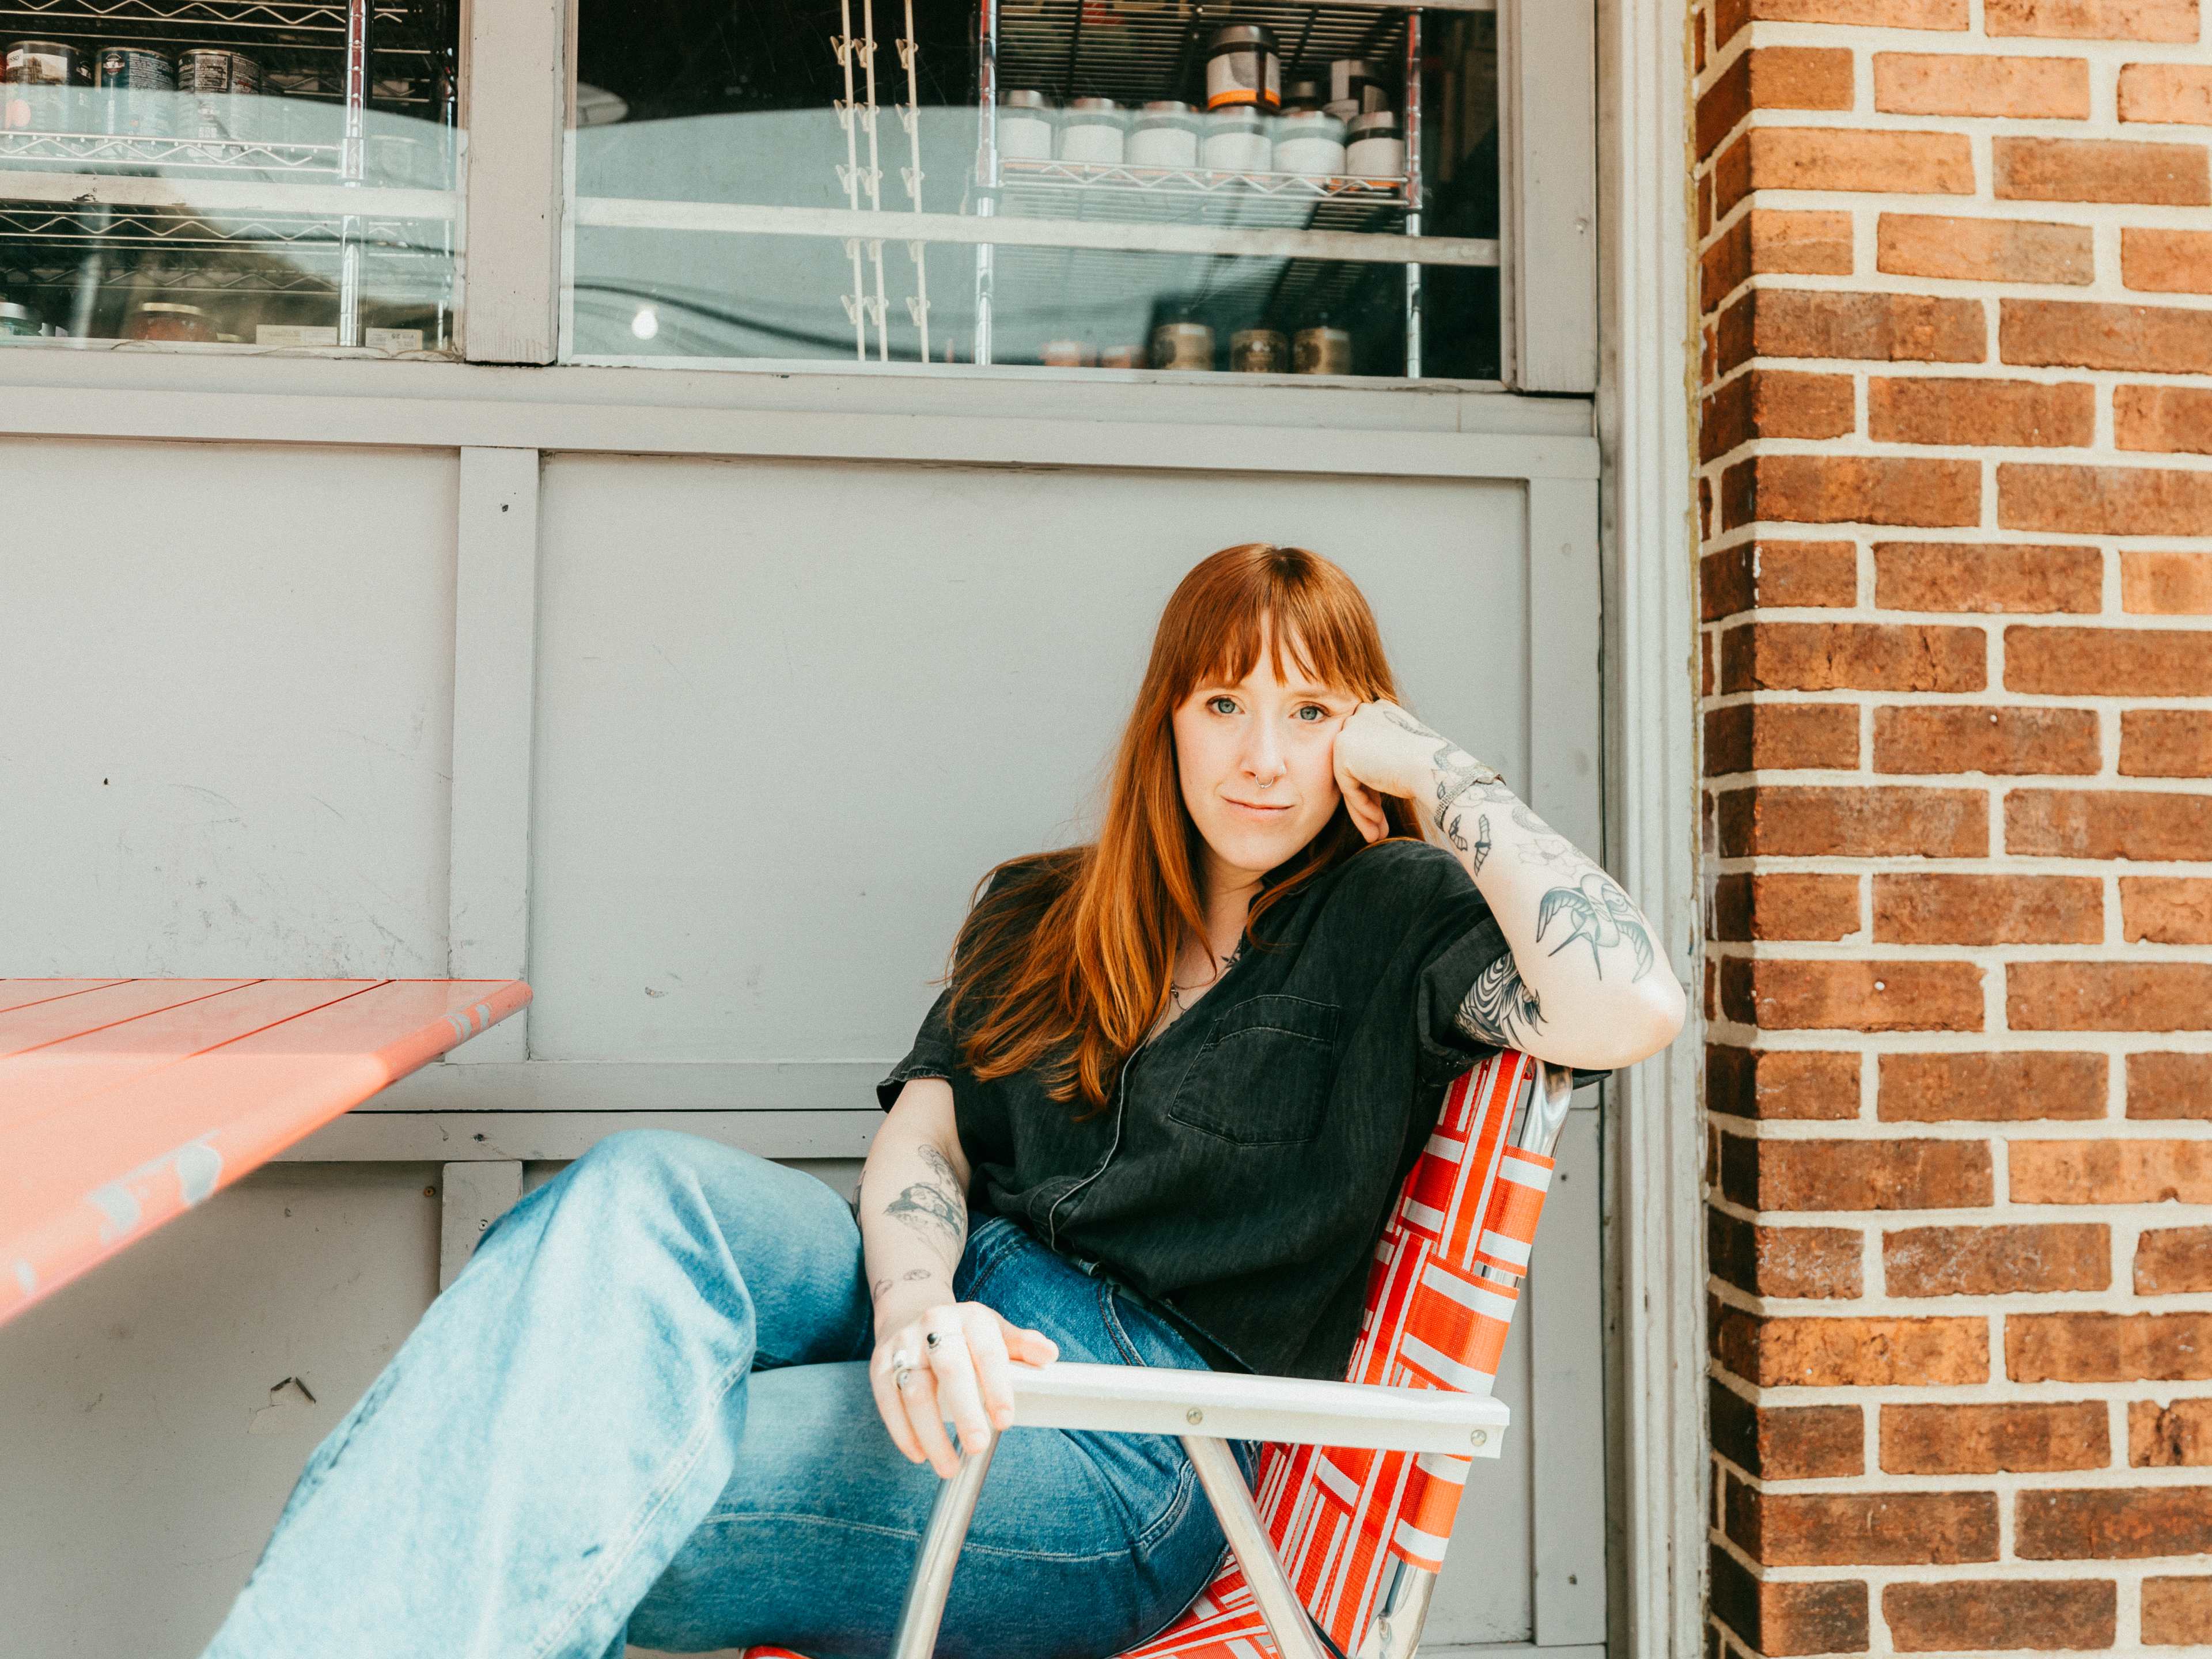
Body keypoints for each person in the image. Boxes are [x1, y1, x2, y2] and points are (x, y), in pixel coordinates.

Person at [200, 543, 1684, 1659]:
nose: (1261, 753)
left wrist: (1426, 764)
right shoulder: (1045, 908)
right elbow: (925, 1131)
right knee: (636, 1192)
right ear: (1165, 718)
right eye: (1223, 700)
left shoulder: (1396, 918)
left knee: (585, 1463)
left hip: (1126, 1443)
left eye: (1310, 711)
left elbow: (1631, 1009)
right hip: (937, 1297)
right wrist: (915, 1302)